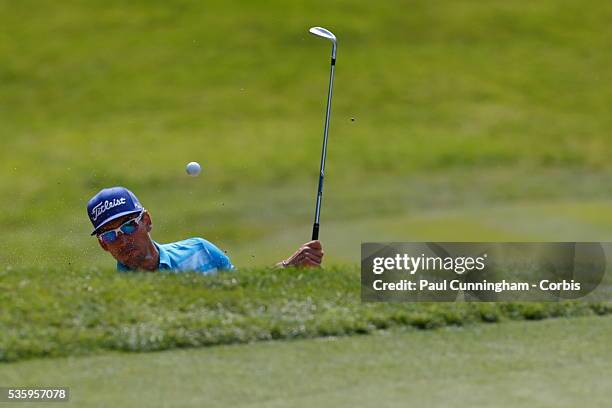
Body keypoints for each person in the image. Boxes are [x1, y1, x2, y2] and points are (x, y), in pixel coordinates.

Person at [87, 186, 324, 273]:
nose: (122, 240)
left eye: (128, 226)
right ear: (103, 244)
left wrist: (288, 267)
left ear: (147, 220)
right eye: (109, 234)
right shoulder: (114, 293)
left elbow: (244, 295)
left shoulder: (199, 251)